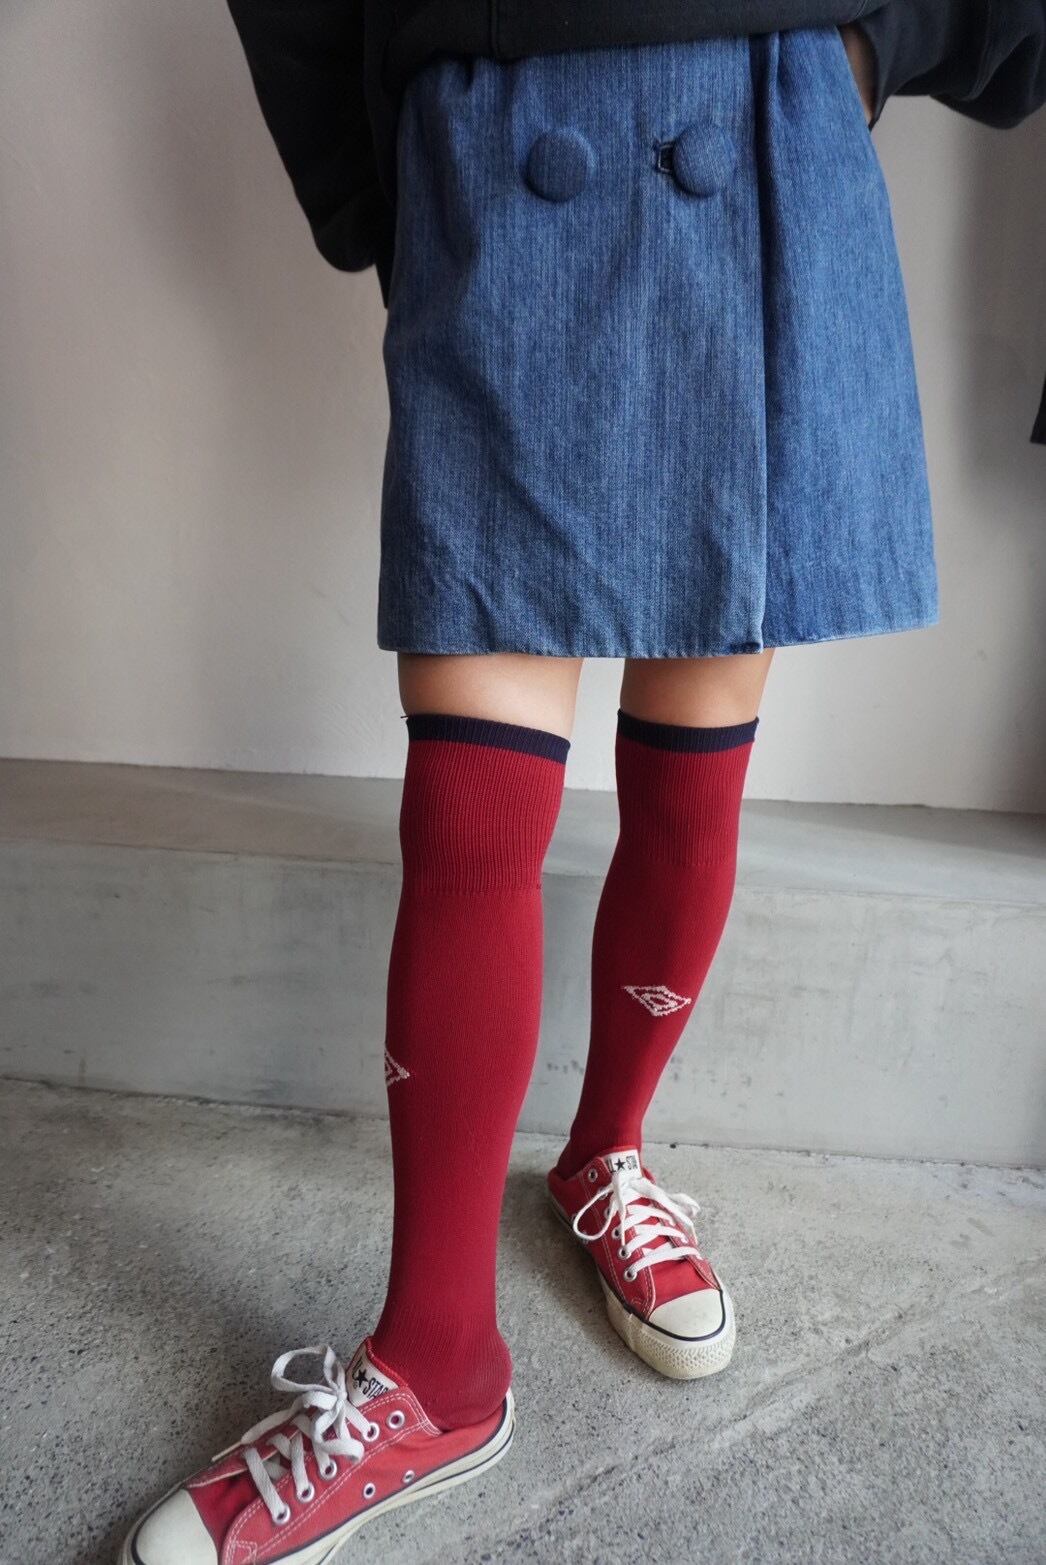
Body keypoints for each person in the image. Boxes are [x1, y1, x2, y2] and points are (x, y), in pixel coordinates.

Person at [120, 4, 1045, 1561]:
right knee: (467, 809)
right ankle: (436, 1364)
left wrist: (872, 39)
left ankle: (605, 1151)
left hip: (765, 123)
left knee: (694, 761)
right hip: (501, 117)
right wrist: (383, 172)